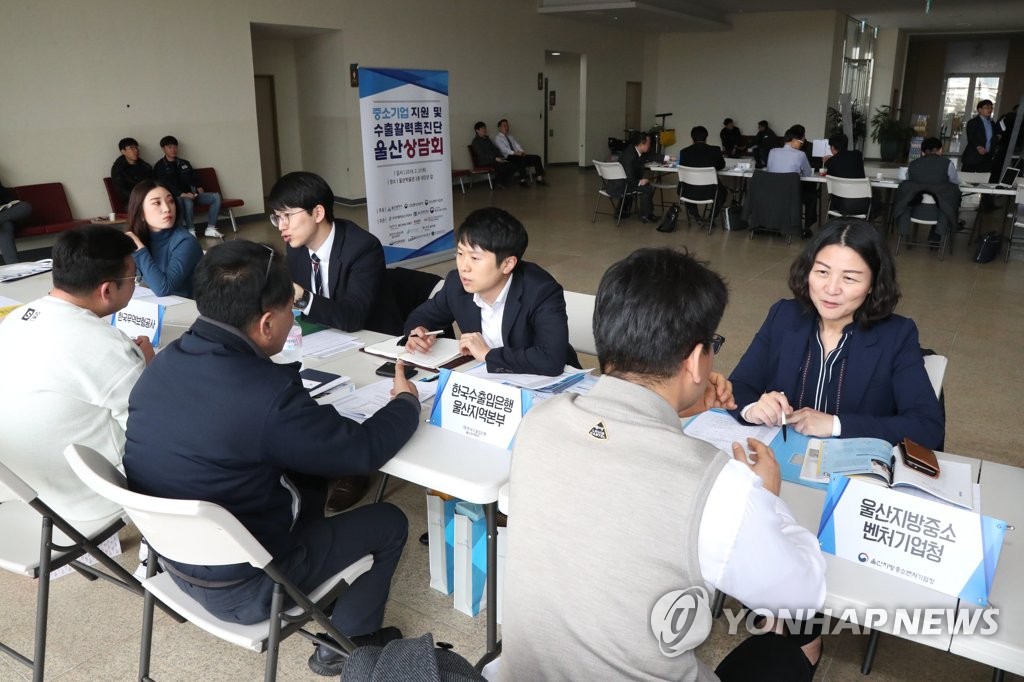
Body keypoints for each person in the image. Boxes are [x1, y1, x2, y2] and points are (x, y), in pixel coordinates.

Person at [501, 247, 825, 681]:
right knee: (783, 655)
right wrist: (765, 496)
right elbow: (800, 594)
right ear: (694, 360)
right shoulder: (718, 486)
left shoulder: (539, 422)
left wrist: (676, 409)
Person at [123, 240, 420, 677]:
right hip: (250, 585)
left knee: (308, 477)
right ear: (266, 322)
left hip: (175, 564)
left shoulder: (163, 365)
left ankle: (330, 581)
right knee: (389, 521)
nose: (293, 320)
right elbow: (362, 451)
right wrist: (406, 403)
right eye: (290, 311)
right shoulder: (267, 395)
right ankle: (350, 644)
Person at [729, 219, 944, 449]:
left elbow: (927, 427)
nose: (831, 289)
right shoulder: (783, 315)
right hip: (782, 457)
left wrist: (835, 425)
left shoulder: (897, 335)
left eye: (849, 278)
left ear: (872, 284)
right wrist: (753, 409)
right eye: (822, 272)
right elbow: (739, 385)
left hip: (854, 465)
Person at [0, 225, 153, 523]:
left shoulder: (15, 319)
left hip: (25, 488)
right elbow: (153, 431)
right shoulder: (108, 348)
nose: (135, 284)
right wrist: (147, 370)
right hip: (92, 497)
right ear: (107, 290)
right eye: (133, 278)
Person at [404, 207, 578, 376]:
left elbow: (550, 359)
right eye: (460, 253)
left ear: (507, 264)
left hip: (550, 382)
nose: (463, 267)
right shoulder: (456, 284)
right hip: (489, 381)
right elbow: (422, 316)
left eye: (475, 258)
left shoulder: (541, 291)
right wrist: (418, 333)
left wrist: (488, 354)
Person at [268, 170, 402, 335]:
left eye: (287, 215)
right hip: (326, 336)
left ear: (318, 213)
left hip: (372, 337)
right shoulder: (296, 247)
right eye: (277, 218)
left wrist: (303, 298)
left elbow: (354, 317)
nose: (281, 226)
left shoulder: (363, 248)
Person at [125, 179, 203, 298]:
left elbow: (164, 288)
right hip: (154, 303)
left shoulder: (185, 241)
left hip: (189, 305)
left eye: (170, 201)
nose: (167, 208)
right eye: (157, 203)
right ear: (140, 213)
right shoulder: (140, 237)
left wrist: (139, 250)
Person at [152, 135, 224, 238]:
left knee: (216, 197)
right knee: (187, 201)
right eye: (170, 147)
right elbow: (165, 186)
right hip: (176, 197)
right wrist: (183, 194)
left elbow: (194, 177)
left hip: (193, 194)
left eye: (175, 147)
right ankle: (191, 231)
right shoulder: (159, 166)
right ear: (163, 149)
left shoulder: (184, 163)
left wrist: (199, 187)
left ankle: (211, 228)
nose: (173, 150)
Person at [894, 137, 961, 245]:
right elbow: (954, 183)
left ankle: (906, 234)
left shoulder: (913, 164)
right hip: (941, 210)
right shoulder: (947, 164)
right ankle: (936, 234)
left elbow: (908, 180)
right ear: (940, 150)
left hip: (915, 210)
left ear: (922, 152)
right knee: (949, 195)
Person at [767, 124, 816, 238]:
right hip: (791, 196)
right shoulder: (800, 154)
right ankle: (807, 227)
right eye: (801, 141)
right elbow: (808, 173)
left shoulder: (772, 152)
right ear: (794, 140)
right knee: (812, 196)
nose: (802, 144)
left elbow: (770, 171)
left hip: (772, 193)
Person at [677, 125, 726, 224]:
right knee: (723, 193)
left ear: (692, 138)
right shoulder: (715, 150)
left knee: (682, 188)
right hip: (711, 191)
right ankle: (710, 218)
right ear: (706, 137)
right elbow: (721, 165)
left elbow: (682, 167)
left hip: (689, 191)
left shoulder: (684, 152)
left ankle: (696, 215)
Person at [609, 131, 657, 223]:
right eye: (648, 144)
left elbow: (650, 156)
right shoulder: (630, 156)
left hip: (616, 183)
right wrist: (640, 182)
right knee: (646, 187)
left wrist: (667, 158)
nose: (649, 146)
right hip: (621, 186)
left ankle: (622, 211)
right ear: (641, 144)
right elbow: (630, 178)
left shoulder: (633, 149)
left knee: (642, 184)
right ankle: (646, 215)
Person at [494, 119, 546, 186]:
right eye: (504, 126)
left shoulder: (510, 137)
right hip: (508, 157)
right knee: (520, 159)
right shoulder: (498, 138)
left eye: (507, 126)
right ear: (499, 128)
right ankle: (522, 180)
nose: (507, 127)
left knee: (537, 157)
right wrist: (515, 153)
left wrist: (522, 152)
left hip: (517, 155)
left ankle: (539, 178)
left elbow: (517, 145)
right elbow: (504, 149)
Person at [470, 121, 517, 187]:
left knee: (511, 165)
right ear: (477, 130)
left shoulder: (487, 139)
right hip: (484, 161)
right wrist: (495, 158)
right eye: (482, 128)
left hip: (494, 159)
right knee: (501, 166)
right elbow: (481, 155)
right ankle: (497, 182)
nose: (484, 130)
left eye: (485, 128)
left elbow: (495, 149)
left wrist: (500, 156)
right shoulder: (476, 141)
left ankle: (504, 182)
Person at [110, 137, 154, 205]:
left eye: (136, 147)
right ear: (123, 151)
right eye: (131, 148)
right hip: (132, 202)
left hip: (149, 198)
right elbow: (122, 191)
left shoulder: (145, 166)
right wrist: (141, 199)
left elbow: (154, 182)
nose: (136, 150)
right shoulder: (118, 169)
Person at [0, 178, 31, 264]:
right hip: (4, 223)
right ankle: (13, 265)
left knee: (25, 206)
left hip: (5, 214)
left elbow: (9, 199)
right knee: (6, 225)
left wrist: (10, 203)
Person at [961, 99, 995, 174]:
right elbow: (971, 137)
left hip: (987, 157)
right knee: (967, 178)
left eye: (991, 107)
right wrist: (978, 147)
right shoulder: (973, 122)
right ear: (979, 110)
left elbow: (992, 138)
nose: (990, 110)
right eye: (987, 107)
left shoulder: (992, 123)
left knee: (983, 179)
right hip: (973, 156)